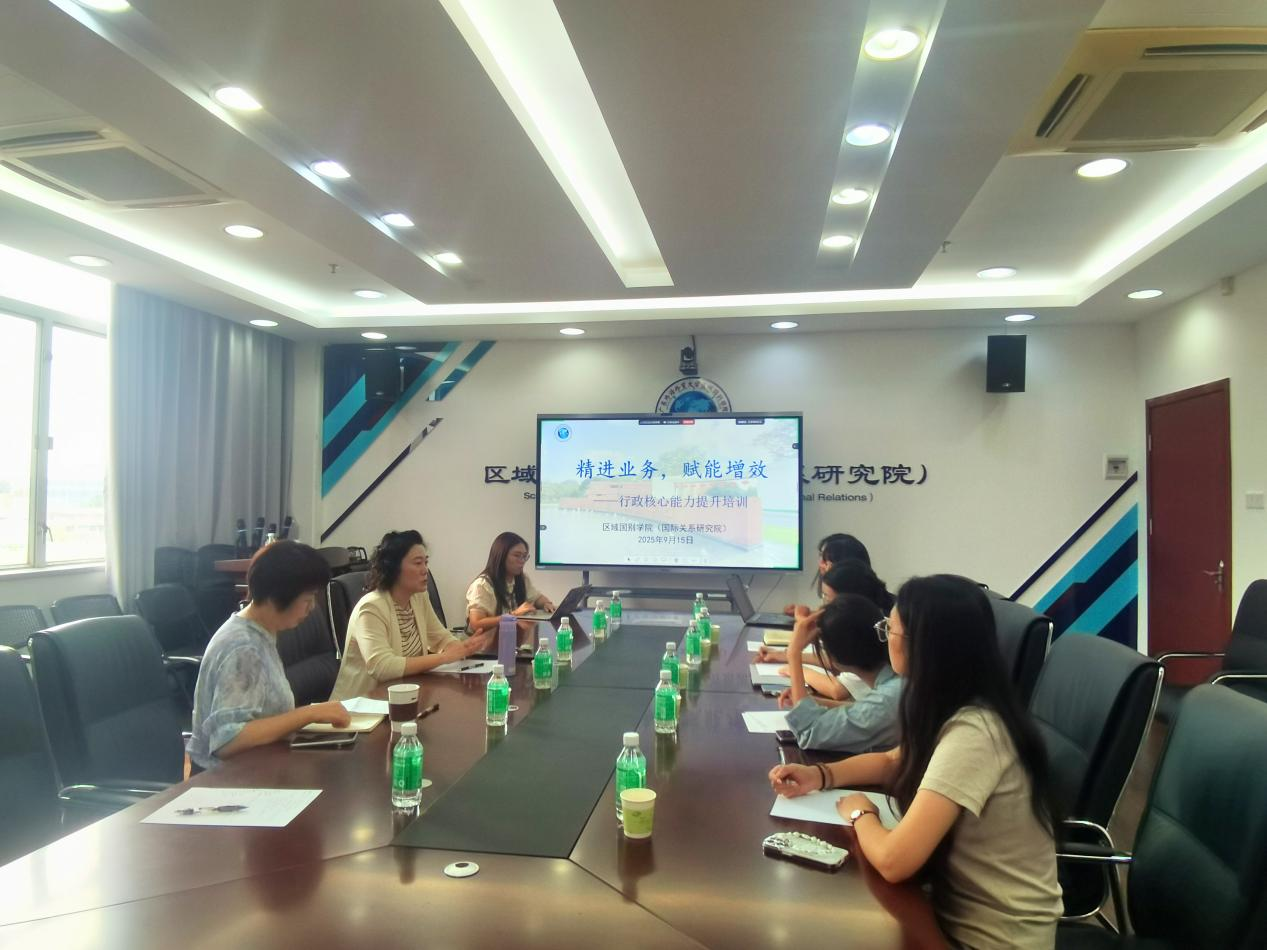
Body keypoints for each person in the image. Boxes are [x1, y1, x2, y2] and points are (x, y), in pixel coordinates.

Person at [769, 575, 1061, 949]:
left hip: (989, 940)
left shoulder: (976, 733)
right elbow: (893, 760)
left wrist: (861, 813)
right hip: (944, 910)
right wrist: (819, 775)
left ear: (923, 646)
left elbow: (894, 862)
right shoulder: (948, 702)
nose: (884, 635)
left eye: (889, 628)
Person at [189, 541, 351, 771]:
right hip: (225, 779)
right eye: (307, 599)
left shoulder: (262, 632)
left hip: (260, 765)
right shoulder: (242, 647)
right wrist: (310, 713)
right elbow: (227, 741)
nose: (312, 608)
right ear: (277, 596)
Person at [329, 530, 490, 701]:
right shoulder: (371, 608)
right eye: (418, 563)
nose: (425, 570)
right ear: (394, 567)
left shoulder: (418, 597)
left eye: (426, 562)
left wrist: (462, 648)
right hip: (362, 706)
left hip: (403, 696)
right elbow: (382, 667)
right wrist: (444, 657)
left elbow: (440, 637)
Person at [777, 594, 900, 752]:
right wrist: (816, 702)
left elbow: (809, 731)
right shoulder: (894, 682)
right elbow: (864, 709)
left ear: (834, 656)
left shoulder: (888, 698)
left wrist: (794, 653)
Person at [759, 559, 894, 696]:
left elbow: (837, 690)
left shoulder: (864, 633)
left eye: (827, 599)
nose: (823, 606)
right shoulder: (872, 619)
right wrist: (784, 655)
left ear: (848, 601)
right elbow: (835, 660)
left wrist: (794, 662)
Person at [466, 532, 556, 643]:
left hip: (510, 642)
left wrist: (546, 603)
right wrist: (514, 615)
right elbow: (476, 624)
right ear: (501, 556)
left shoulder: (521, 579)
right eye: (517, 555)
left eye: (524, 556)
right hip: (484, 647)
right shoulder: (482, 585)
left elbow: (537, 598)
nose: (522, 561)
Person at [783, 534, 873, 618]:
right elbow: (834, 615)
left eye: (826, 559)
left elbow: (842, 621)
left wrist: (802, 619)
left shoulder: (857, 602)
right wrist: (807, 613)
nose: (821, 564)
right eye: (821, 556)